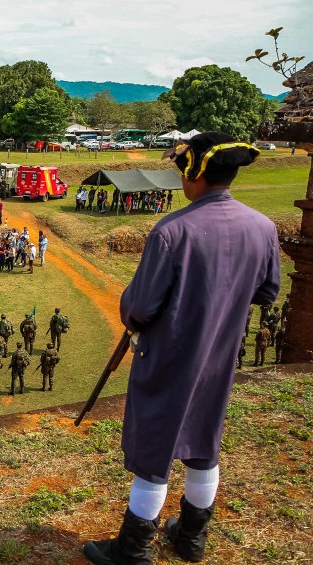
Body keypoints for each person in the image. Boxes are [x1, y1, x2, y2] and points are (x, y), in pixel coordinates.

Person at [83, 133, 280, 565]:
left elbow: (140, 307)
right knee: (203, 442)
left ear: (196, 173)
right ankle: (191, 536)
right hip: (221, 355)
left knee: (156, 451)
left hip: (170, 357)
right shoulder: (263, 227)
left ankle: (132, 549)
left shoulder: (173, 230)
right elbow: (266, 292)